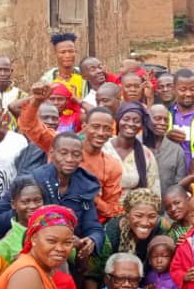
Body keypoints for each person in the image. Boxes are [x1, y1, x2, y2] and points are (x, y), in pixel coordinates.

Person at [0, 134, 104, 272]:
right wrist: (28, 211)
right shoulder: (31, 180)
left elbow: (94, 227)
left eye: (75, 154)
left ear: (81, 157)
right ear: (52, 153)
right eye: (63, 153)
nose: (69, 159)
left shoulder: (85, 184)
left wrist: (91, 241)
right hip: (27, 255)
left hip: (68, 256)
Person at [20, 91, 123, 222]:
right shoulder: (61, 143)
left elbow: (111, 209)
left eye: (106, 129)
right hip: (47, 219)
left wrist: (90, 196)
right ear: (85, 126)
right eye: (96, 127)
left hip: (85, 226)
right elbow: (29, 126)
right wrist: (36, 101)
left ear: (111, 133)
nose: (101, 133)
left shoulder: (111, 165)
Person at [104, 102, 160, 197]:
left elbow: (153, 192)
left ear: (141, 125)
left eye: (136, 120)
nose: (130, 124)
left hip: (134, 210)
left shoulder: (146, 154)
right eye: (126, 119)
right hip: (102, 208)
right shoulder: (103, 148)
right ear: (118, 120)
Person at [0, 177, 45, 263]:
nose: (33, 206)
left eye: (37, 201)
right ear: (14, 204)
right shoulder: (6, 244)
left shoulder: (54, 228)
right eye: (25, 202)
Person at [146, 103, 187, 195]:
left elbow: (178, 185)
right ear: (147, 120)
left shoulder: (177, 150)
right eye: (157, 119)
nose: (162, 123)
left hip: (165, 206)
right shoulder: (136, 144)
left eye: (166, 120)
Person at [42, 32, 84, 97]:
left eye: (71, 51)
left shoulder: (84, 75)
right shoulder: (48, 79)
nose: (67, 55)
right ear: (55, 54)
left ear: (75, 52)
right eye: (62, 52)